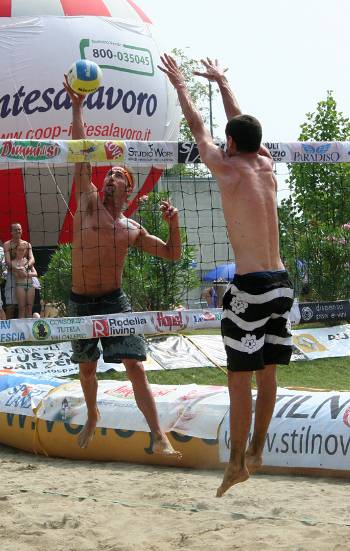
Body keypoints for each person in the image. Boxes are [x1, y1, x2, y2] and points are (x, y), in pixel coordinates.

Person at [159, 55, 294, 496]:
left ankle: (236, 463)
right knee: (269, 374)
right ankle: (256, 451)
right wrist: (221, 82)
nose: (223, 140)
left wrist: (181, 86)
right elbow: (242, 124)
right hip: (282, 285)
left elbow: (198, 126)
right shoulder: (266, 164)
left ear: (231, 144)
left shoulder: (227, 166)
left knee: (240, 380)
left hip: (252, 288)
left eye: (227, 139)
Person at [63, 75, 182, 456]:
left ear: (129, 189)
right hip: (81, 301)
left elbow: (171, 254)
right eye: (109, 173)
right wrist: (78, 107)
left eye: (119, 176)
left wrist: (174, 225)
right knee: (86, 368)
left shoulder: (131, 227)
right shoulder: (88, 200)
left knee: (135, 366)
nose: (111, 177)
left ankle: (158, 433)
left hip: (114, 301)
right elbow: (81, 151)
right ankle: (93, 415)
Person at [4, 223, 36, 319]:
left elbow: (32, 259)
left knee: (28, 305)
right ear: (11, 232)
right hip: (12, 275)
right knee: (11, 304)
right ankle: (10, 327)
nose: (18, 231)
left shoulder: (27, 244)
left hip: (26, 276)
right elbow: (8, 262)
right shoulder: (7, 245)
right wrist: (18, 270)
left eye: (19, 229)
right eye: (16, 230)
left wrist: (25, 267)